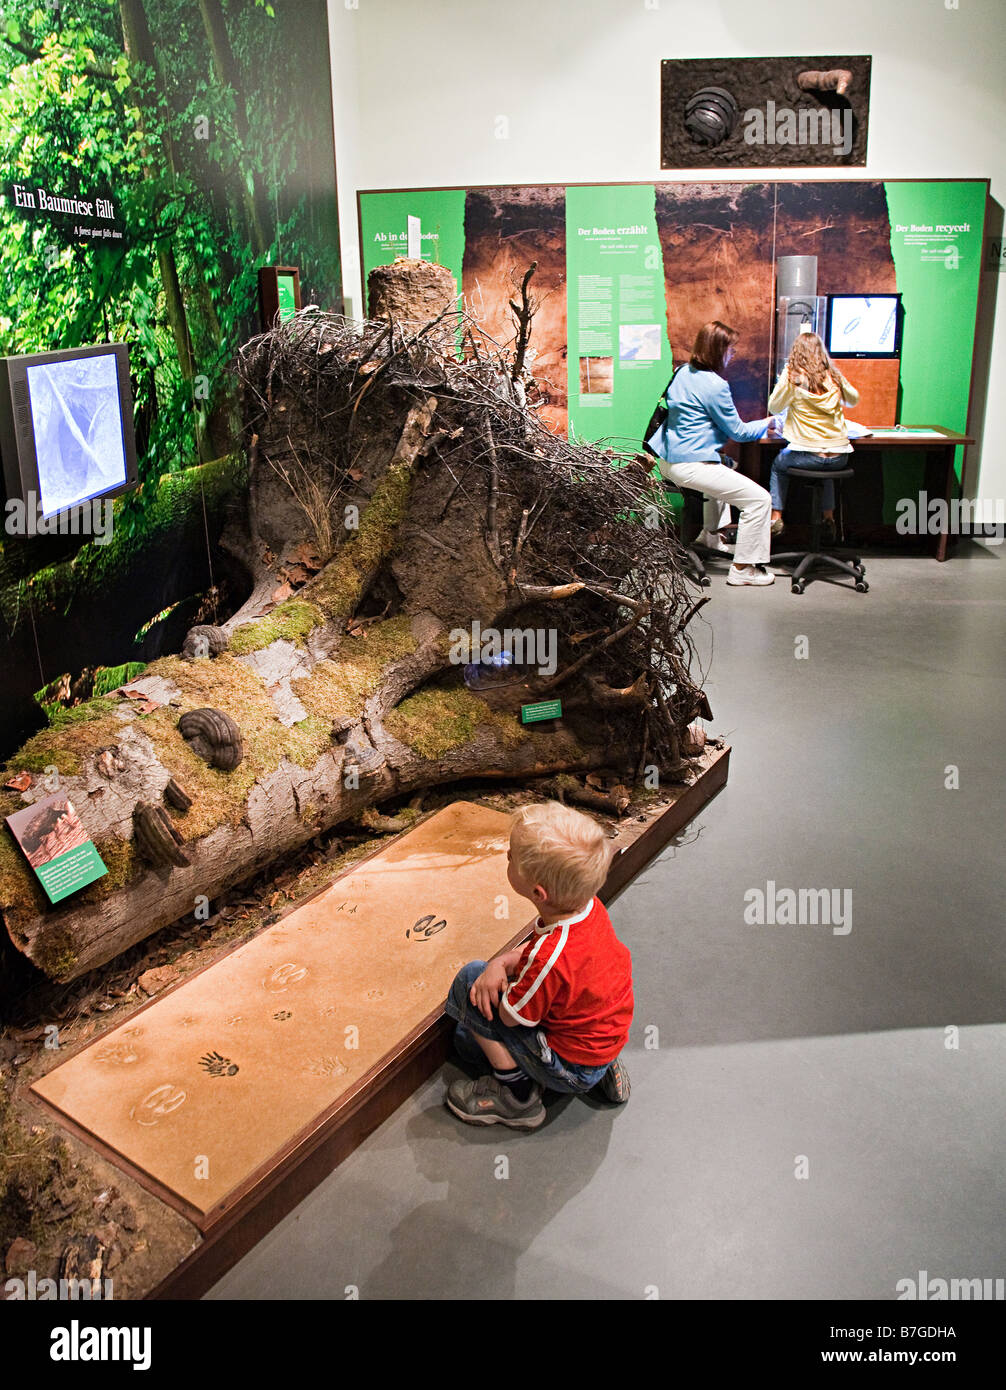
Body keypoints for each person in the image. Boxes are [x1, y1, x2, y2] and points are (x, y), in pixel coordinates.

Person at [443, 801, 633, 1130]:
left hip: (570, 1066)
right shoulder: (589, 909)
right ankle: (601, 1068)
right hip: (604, 1036)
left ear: (537, 892)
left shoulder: (548, 958)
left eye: (512, 857)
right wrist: (506, 960)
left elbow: (511, 1016)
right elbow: (555, 960)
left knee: (469, 986)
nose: (507, 857)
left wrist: (492, 970)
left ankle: (517, 1096)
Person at [648, 320, 775, 587]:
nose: (733, 355)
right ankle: (743, 569)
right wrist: (769, 422)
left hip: (668, 462)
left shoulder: (682, 371)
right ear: (719, 351)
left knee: (726, 468)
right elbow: (739, 432)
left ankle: (710, 536)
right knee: (759, 500)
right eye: (731, 349)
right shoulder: (715, 385)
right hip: (691, 465)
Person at [767, 331, 860, 538]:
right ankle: (829, 518)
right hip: (839, 458)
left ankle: (776, 517)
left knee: (778, 465)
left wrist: (786, 379)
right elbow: (853, 400)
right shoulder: (832, 376)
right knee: (825, 472)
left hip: (806, 458)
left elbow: (774, 406)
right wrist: (836, 377)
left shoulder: (793, 376)